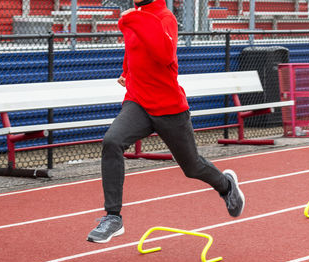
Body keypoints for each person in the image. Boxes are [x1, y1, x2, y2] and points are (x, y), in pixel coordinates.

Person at [87, 0, 245, 244]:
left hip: (168, 107)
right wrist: (126, 72)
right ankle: (113, 217)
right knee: (112, 141)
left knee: (192, 167)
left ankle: (226, 185)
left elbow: (164, 55)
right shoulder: (135, 17)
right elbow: (132, 50)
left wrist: (134, 19)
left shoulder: (163, 17)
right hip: (138, 102)